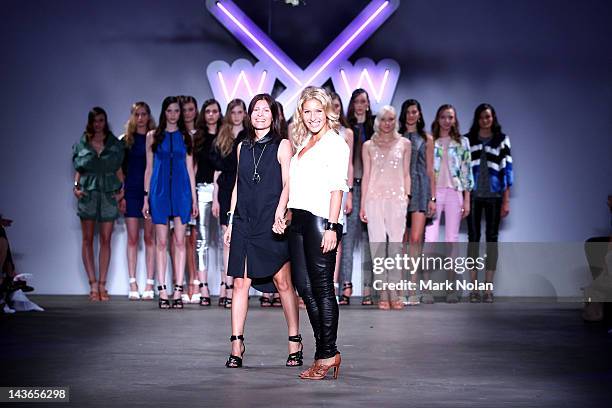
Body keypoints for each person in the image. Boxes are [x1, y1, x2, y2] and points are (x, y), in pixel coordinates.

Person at [223, 94, 301, 368]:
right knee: (239, 283)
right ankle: (236, 343)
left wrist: (281, 213)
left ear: (273, 115)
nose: (259, 114)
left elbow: (288, 184)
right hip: (245, 220)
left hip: (272, 222)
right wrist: (231, 221)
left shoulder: (283, 146)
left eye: (265, 110)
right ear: (249, 115)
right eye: (255, 109)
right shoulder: (242, 147)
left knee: (283, 283)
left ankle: (294, 340)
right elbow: (237, 186)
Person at [277, 86, 349, 380]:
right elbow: (294, 182)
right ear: (301, 115)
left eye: (318, 111)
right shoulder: (305, 140)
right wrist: (283, 212)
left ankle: (327, 353)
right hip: (299, 220)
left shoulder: (335, 142)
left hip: (322, 221)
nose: (312, 116)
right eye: (307, 112)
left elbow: (337, 187)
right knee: (304, 288)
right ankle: (325, 351)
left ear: (327, 111)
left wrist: (332, 226)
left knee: (322, 289)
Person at [143, 96, 198, 309]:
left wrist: (193, 198)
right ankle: (163, 290)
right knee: (162, 242)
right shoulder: (152, 136)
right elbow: (149, 168)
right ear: (164, 112)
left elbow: (190, 169)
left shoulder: (187, 137)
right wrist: (146, 197)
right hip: (159, 191)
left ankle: (178, 289)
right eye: (170, 110)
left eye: (176, 110)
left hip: (182, 191)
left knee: (180, 241)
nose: (173, 114)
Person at [360, 105, 411, 310]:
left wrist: (406, 196)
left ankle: (395, 291)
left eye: (391, 119)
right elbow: (365, 176)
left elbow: (406, 173)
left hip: (397, 198)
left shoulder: (405, 143)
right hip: (373, 198)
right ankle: (382, 292)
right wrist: (363, 203)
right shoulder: (368, 145)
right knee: (378, 245)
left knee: (396, 247)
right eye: (383, 119)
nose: (387, 123)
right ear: (377, 121)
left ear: (395, 121)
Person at [72, 107, 124, 301]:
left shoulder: (114, 144)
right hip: (89, 192)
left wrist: (122, 190)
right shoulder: (82, 143)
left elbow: (119, 169)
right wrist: (76, 186)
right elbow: (79, 168)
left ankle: (103, 285)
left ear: (105, 121)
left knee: (106, 239)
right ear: (90, 122)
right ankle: (92, 285)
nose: (98, 124)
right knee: (87, 239)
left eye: (101, 120)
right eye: (95, 120)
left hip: (109, 192)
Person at [424, 104, 474, 303]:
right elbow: (428, 171)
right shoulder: (431, 141)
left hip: (455, 193)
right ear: (438, 119)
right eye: (443, 117)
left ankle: (451, 289)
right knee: (430, 239)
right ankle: (427, 289)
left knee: (452, 240)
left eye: (450, 117)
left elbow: (467, 171)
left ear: (455, 120)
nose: (447, 120)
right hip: (435, 193)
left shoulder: (462, 142)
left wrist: (467, 200)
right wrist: (429, 197)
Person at [465, 103, 513, 303]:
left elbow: (507, 169)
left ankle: (488, 288)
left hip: (495, 195)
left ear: (493, 118)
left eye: (489, 116)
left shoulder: (502, 140)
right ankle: (474, 288)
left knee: (492, 239)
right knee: (474, 239)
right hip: (474, 195)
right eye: (482, 117)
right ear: (477, 119)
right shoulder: (468, 139)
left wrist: (506, 200)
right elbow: (464, 168)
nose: (485, 120)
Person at [211, 99, 248, 308]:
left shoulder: (249, 136)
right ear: (228, 114)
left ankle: (237, 285)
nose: (236, 116)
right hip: (225, 189)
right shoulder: (222, 137)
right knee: (227, 239)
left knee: (241, 240)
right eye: (233, 112)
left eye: (240, 112)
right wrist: (216, 198)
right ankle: (226, 284)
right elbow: (217, 170)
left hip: (244, 189)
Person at [399, 99, 436, 305]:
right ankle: (402, 286)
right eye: (408, 112)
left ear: (420, 114)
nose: (411, 115)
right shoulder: (397, 137)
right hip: (401, 189)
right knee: (402, 241)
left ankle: (412, 287)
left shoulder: (427, 138)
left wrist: (432, 197)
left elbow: (430, 170)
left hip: (421, 188)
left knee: (415, 239)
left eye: (415, 112)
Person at [120, 102, 156, 301]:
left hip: (149, 192)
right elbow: (121, 169)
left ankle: (150, 282)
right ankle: (132, 282)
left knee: (149, 238)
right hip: (131, 191)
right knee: (132, 239)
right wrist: (122, 193)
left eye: (143, 114)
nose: (140, 118)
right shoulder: (127, 140)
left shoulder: (154, 138)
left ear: (148, 116)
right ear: (133, 116)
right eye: (137, 114)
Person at [342, 88, 374, 305]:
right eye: (357, 101)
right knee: (348, 240)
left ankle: (368, 288)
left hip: (372, 188)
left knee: (369, 241)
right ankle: (346, 286)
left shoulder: (375, 128)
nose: (360, 105)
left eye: (363, 101)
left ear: (368, 104)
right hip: (351, 186)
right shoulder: (347, 129)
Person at [329, 92, 354, 305]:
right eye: (331, 105)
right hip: (320, 188)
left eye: (337, 105)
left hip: (341, 188)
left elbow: (350, 165)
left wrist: (350, 193)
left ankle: (334, 286)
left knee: (337, 238)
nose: (335, 109)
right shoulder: (319, 130)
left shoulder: (347, 133)